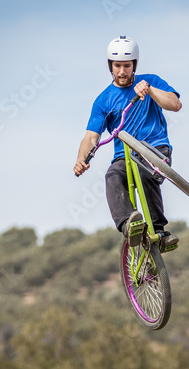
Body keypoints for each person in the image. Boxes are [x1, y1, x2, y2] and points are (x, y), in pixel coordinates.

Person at [74, 35, 182, 250]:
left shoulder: (151, 80)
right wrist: (81, 159)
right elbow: (91, 136)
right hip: (125, 155)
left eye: (126, 66)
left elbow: (175, 104)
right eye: (117, 66)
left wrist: (150, 90)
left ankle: (159, 231)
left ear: (134, 65)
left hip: (156, 149)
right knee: (113, 176)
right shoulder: (104, 100)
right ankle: (128, 225)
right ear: (110, 66)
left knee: (145, 171)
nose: (122, 71)